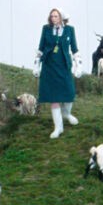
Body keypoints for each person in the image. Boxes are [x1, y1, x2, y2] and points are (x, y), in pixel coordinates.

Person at [37, 8, 79, 138]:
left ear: (61, 17)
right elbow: (40, 48)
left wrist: (79, 66)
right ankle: (58, 127)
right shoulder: (46, 29)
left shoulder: (70, 30)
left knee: (69, 92)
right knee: (53, 98)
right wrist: (36, 65)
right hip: (49, 67)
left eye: (56, 16)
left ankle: (66, 114)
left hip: (64, 66)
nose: (53, 18)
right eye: (51, 16)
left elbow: (75, 50)